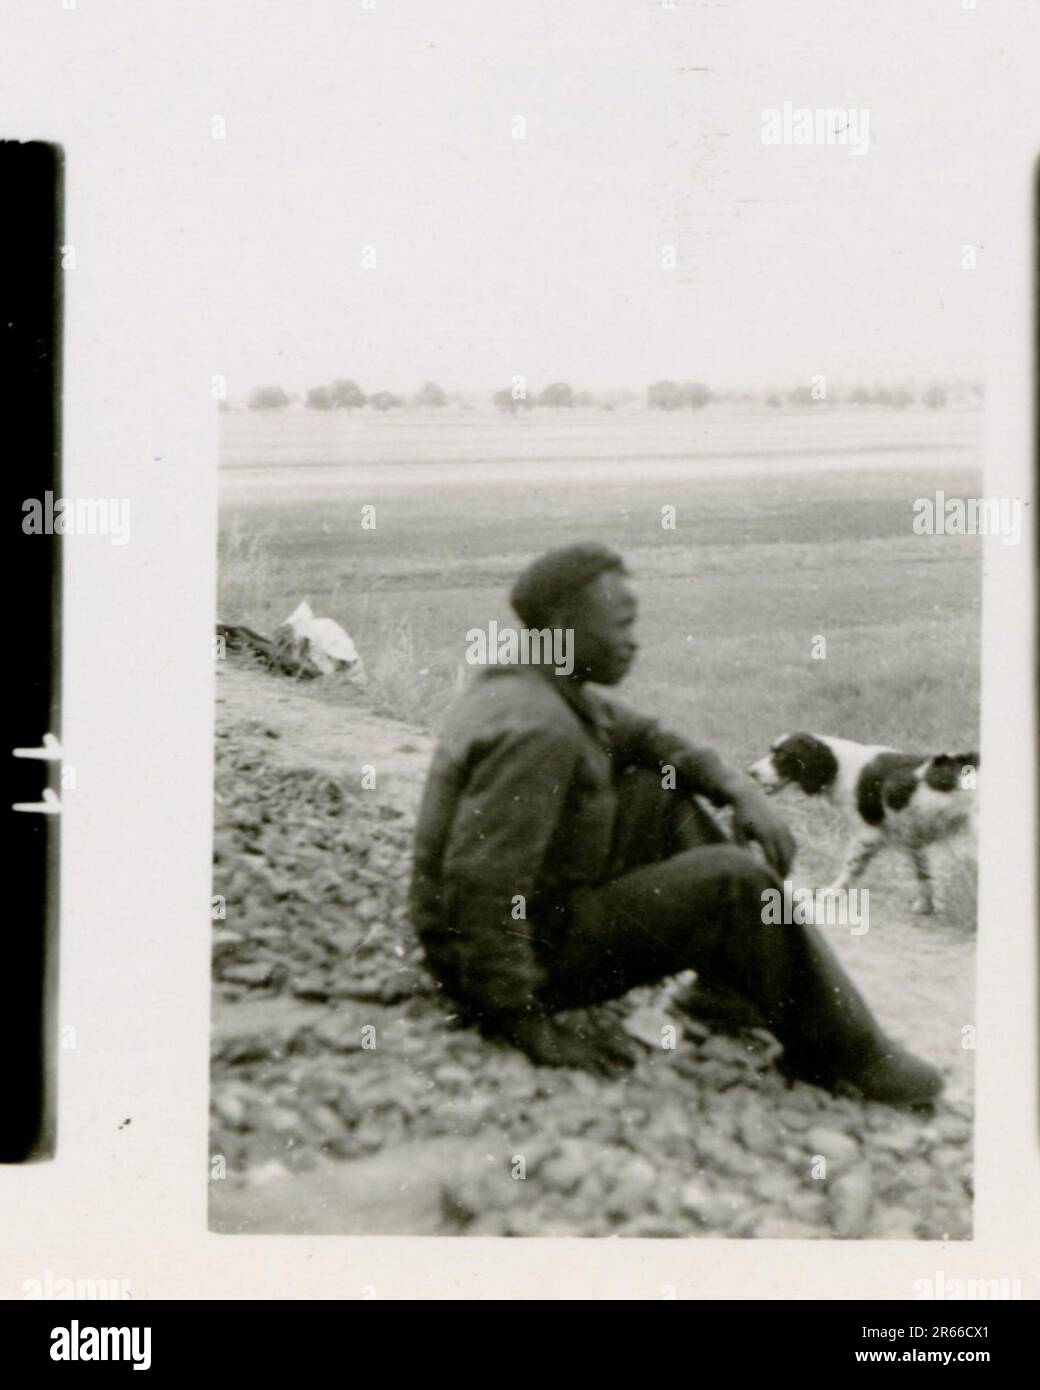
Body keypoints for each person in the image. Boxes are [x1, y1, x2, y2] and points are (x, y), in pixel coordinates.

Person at [409, 542, 943, 1110]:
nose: (633, 640)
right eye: (622, 624)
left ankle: (726, 992)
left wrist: (739, 791)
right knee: (734, 882)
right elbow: (482, 887)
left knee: (657, 787)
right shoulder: (539, 729)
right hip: (511, 964)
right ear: (566, 625)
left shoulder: (537, 686)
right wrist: (523, 1021)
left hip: (530, 926)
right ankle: (847, 1052)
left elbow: (648, 737)